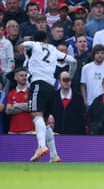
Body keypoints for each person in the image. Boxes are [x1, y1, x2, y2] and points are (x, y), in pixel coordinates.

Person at [21, 31, 76, 162]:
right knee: (45, 123)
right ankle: (54, 155)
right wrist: (71, 75)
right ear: (46, 39)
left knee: (36, 115)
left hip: (38, 84)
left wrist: (22, 44)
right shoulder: (52, 49)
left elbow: (26, 44)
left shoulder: (34, 45)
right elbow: (72, 60)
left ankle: (41, 146)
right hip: (51, 87)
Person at [5, 67, 34, 134]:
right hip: (13, 130)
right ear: (15, 77)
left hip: (29, 130)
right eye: (21, 76)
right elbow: (8, 111)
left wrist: (16, 105)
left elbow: (31, 107)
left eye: (25, 75)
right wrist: (25, 105)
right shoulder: (11, 93)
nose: (24, 78)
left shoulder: (31, 92)